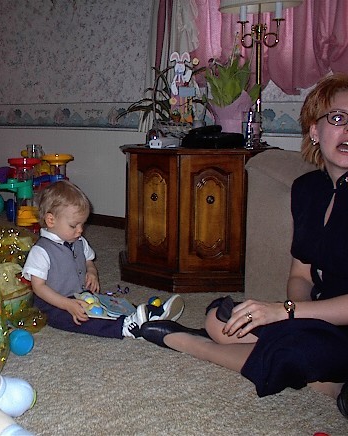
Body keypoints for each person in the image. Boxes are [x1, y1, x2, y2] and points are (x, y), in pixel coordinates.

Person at [140, 73, 348, 418]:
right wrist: (297, 315)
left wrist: (286, 313)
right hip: (316, 317)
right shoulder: (309, 189)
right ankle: (327, 379)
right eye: (338, 118)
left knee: (294, 352)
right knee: (219, 317)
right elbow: (301, 274)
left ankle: (192, 344)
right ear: (315, 130)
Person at [22, 179, 184, 339]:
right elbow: (38, 287)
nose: (80, 230)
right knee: (81, 318)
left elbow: (88, 261)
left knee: (108, 305)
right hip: (53, 304)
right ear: (51, 220)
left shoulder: (79, 241)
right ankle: (125, 327)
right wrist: (67, 304)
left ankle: (149, 314)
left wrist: (92, 272)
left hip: (80, 294)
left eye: (83, 224)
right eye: (74, 225)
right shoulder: (41, 251)